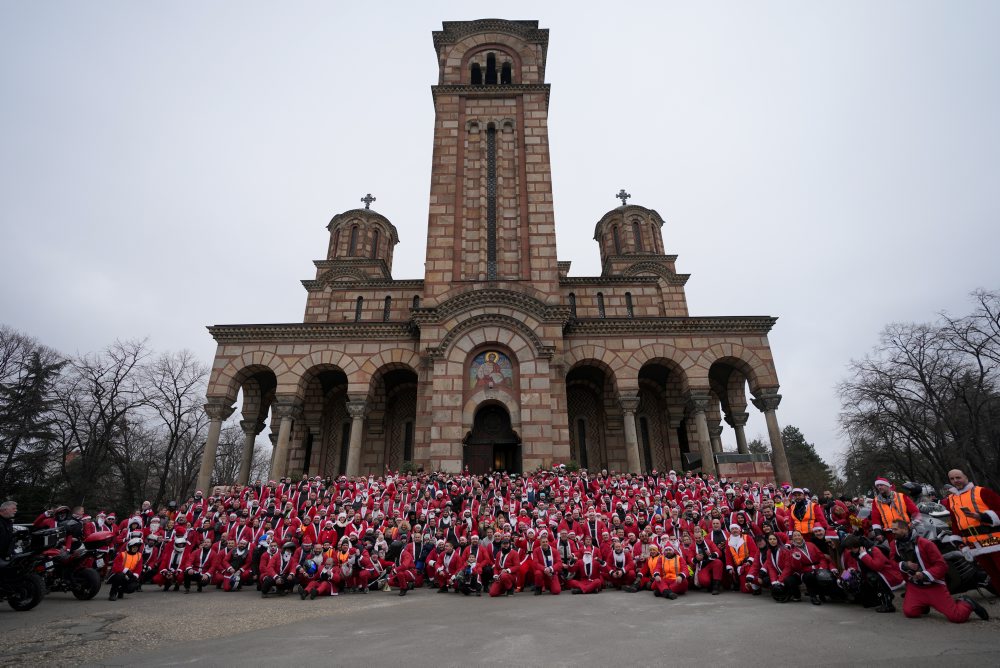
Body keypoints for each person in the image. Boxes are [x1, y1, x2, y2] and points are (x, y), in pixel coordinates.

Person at [890, 519, 988, 622]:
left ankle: (967, 602)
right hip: (915, 587)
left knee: (957, 617)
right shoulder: (894, 545)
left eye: (895, 529)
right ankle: (923, 605)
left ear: (905, 529)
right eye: (892, 529)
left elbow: (942, 566)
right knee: (910, 612)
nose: (892, 531)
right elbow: (892, 562)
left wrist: (924, 574)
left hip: (934, 586)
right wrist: (904, 565)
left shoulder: (925, 543)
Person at [941, 469, 1000, 587]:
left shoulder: (982, 491)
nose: (955, 481)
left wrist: (983, 517)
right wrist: (958, 541)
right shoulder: (951, 499)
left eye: (958, 477)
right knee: (994, 577)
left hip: (994, 540)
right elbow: (955, 522)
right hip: (974, 545)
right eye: (952, 479)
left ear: (966, 477)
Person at [108, 537, 144, 601]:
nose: (135, 548)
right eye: (133, 547)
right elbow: (115, 567)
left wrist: (135, 576)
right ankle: (113, 593)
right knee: (120, 575)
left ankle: (120, 591)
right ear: (129, 547)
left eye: (136, 547)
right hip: (116, 574)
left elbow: (139, 568)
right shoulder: (122, 554)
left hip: (129, 575)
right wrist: (126, 571)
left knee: (134, 585)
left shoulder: (139, 556)